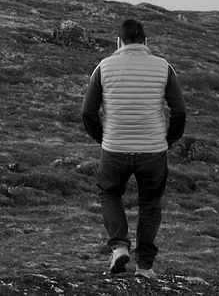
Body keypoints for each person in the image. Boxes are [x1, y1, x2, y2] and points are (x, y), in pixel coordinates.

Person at [80, 18, 187, 280]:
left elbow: (87, 112)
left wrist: (102, 137)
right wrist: (168, 140)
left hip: (115, 148)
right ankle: (145, 267)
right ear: (145, 42)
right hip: (153, 150)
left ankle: (118, 246)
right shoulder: (164, 67)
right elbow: (180, 111)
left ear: (119, 42)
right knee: (150, 205)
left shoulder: (104, 67)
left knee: (109, 194)